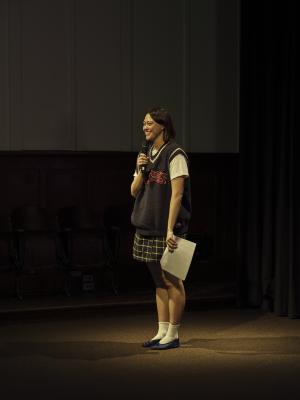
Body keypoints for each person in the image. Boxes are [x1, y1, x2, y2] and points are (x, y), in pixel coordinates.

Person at [130, 106, 191, 350]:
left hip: (169, 229)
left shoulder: (175, 153)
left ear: (162, 125)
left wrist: (169, 231)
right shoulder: (145, 154)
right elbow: (133, 191)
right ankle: (162, 330)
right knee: (158, 280)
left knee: (172, 280)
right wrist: (140, 170)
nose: (144, 127)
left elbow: (177, 195)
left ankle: (174, 334)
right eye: (143, 123)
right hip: (146, 224)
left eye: (149, 123)